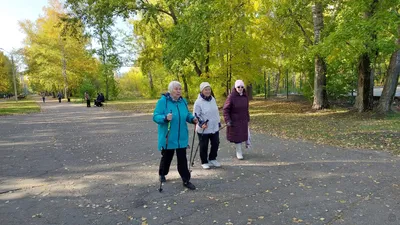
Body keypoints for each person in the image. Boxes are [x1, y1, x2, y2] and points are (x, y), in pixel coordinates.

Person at [153, 81, 198, 190]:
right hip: (169, 136)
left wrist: (192, 119)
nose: (179, 91)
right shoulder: (163, 102)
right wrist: (164, 118)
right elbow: (155, 116)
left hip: (181, 136)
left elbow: (186, 114)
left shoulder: (183, 101)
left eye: (180, 89)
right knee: (167, 157)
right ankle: (162, 173)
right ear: (170, 90)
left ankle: (186, 180)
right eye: (176, 89)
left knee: (182, 158)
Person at [193, 82, 221, 169]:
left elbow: (216, 112)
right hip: (204, 128)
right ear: (202, 90)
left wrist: (218, 122)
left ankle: (212, 158)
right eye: (206, 90)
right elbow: (195, 115)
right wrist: (201, 124)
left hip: (214, 126)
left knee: (216, 143)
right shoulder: (198, 102)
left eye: (209, 89)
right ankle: (204, 161)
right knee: (204, 145)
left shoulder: (213, 99)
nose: (208, 91)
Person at [223, 80, 250, 160]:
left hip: (243, 120)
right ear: (235, 87)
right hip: (235, 120)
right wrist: (228, 120)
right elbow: (225, 109)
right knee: (237, 137)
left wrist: (247, 117)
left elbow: (246, 109)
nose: (240, 88)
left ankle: (240, 150)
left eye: (242, 87)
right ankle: (239, 151)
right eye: (238, 87)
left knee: (242, 135)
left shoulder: (245, 97)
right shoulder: (231, 97)